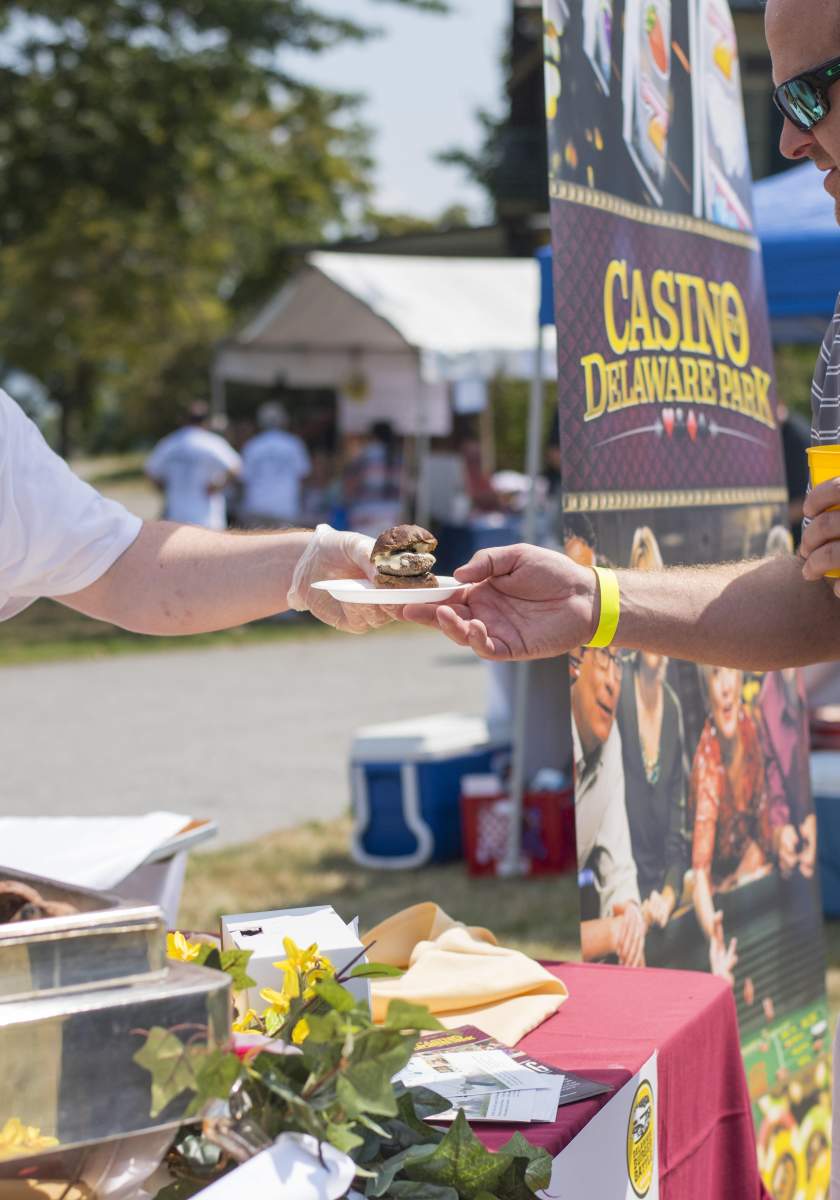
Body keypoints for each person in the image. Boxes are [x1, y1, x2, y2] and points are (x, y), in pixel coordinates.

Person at [0, 388, 393, 638]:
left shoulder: (171, 443)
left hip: (181, 514)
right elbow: (238, 471)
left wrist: (308, 563)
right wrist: (217, 487)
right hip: (211, 514)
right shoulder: (217, 443)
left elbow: (116, 564)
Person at [615, 529, 689, 928]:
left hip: (662, 895)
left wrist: (670, 891)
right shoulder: (617, 689)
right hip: (621, 893)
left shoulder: (673, 710)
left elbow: (680, 820)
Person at [690, 665, 774, 983]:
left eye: (729, 673)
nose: (725, 687)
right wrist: (713, 927)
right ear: (704, 690)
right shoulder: (707, 763)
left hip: (750, 881)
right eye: (714, 675)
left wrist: (749, 868)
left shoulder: (748, 727)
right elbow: (699, 872)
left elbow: (763, 838)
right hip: (721, 899)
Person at [145, 402, 242, 530]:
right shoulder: (212, 442)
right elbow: (236, 467)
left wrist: (165, 489)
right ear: (206, 421)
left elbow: (150, 470)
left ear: (184, 419)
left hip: (176, 518)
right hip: (207, 519)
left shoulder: (170, 443)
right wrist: (217, 485)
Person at [239, 402, 312, 528]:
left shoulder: (253, 445)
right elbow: (303, 476)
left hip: (257, 506)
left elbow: (244, 478)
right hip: (285, 507)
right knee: (285, 547)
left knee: (258, 547)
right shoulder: (294, 444)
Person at [343, 421, 403, 538]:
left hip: (365, 513)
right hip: (391, 514)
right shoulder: (398, 456)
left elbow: (350, 485)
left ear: (373, 436)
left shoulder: (365, 454)